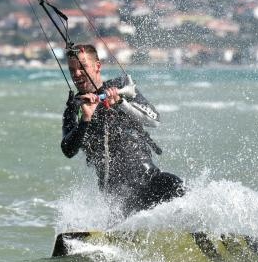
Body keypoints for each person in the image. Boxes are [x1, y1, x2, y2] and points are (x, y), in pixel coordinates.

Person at [61, 43, 185, 217]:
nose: (77, 74)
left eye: (82, 67)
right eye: (72, 70)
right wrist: (85, 119)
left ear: (98, 66)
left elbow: (154, 120)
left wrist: (121, 103)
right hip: (118, 196)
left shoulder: (121, 87)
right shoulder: (74, 108)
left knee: (175, 185)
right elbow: (68, 149)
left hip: (148, 178)